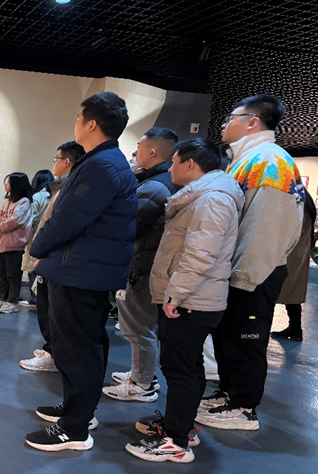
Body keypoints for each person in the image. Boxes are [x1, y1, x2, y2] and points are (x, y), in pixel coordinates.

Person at [25, 91, 136, 452]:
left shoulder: (101, 166)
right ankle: (77, 410)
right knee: (78, 345)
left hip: (81, 271)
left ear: (91, 124)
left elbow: (69, 218)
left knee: (78, 349)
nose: (75, 123)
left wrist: (37, 249)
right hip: (81, 269)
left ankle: (74, 429)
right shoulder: (103, 161)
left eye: (78, 117)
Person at [125, 138, 244, 463]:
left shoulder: (212, 199)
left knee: (181, 370)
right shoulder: (204, 196)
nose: (170, 168)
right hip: (191, 297)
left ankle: (176, 442)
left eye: (175, 162)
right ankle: (180, 426)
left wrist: (176, 294)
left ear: (191, 164)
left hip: (192, 300)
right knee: (184, 366)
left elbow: (199, 255)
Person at [198, 94, 304, 431]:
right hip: (237, 268)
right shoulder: (248, 159)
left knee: (246, 339)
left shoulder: (270, 161)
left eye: (231, 117)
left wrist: (243, 276)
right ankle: (229, 393)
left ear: (252, 122)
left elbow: (265, 229)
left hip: (253, 271)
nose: (223, 123)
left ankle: (244, 407)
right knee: (228, 336)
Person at [103, 127, 180, 403]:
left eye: (138, 148)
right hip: (145, 265)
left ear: (152, 152)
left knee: (138, 328)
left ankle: (142, 384)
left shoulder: (155, 186)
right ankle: (141, 374)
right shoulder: (159, 182)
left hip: (141, 267)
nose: (135, 153)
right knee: (139, 327)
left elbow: (128, 224)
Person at [19, 142, 85, 372]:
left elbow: (58, 226)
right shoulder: (61, 187)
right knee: (47, 309)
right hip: (48, 256)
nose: (54, 163)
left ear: (66, 162)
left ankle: (55, 355)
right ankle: (52, 350)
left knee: (54, 312)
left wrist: (41, 252)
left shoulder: (71, 188)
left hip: (54, 258)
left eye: (56, 158)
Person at [0, 173, 33, 314]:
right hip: (1, 242)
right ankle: (1, 298)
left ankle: (12, 301)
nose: (5, 184)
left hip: (14, 244)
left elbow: (14, 220)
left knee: (13, 274)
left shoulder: (24, 202)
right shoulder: (8, 200)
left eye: (8, 182)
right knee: (1, 273)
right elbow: (0, 216)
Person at [271, 190, 316, 342]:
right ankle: (295, 328)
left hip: (288, 251)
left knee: (272, 290)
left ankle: (260, 329)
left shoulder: (292, 196)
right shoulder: (305, 199)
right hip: (299, 251)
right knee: (293, 291)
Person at [20, 169, 55, 308]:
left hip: (36, 235)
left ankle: (34, 298)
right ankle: (44, 299)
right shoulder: (56, 195)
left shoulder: (37, 197)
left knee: (32, 266)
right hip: (51, 236)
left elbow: (31, 218)